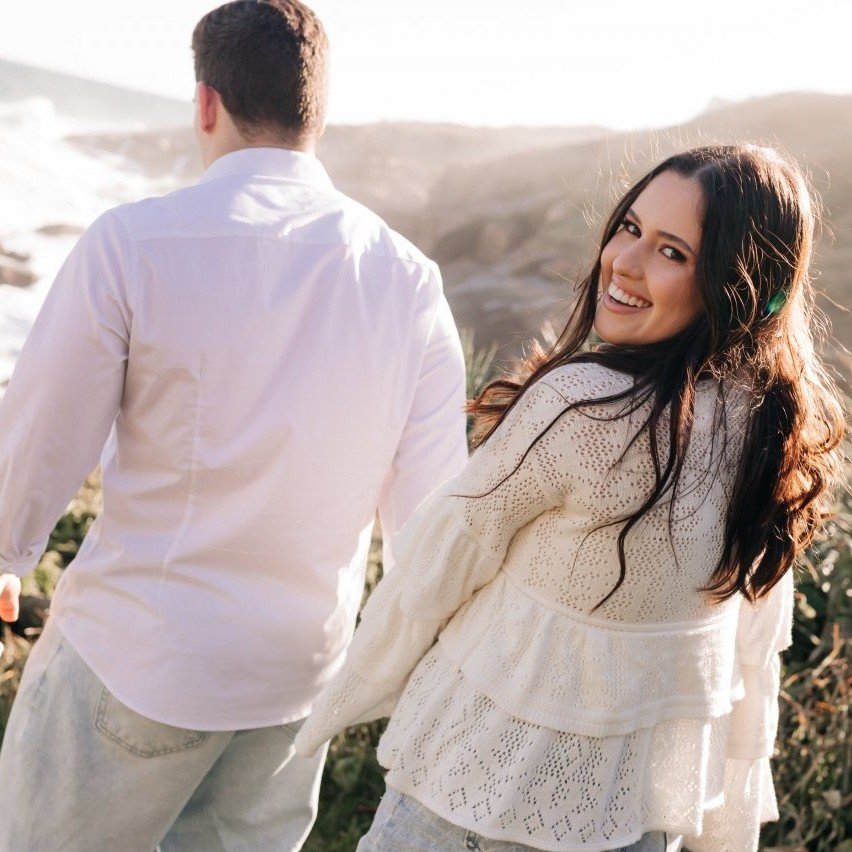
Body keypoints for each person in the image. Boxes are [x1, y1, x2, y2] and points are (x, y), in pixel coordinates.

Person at [0, 1, 468, 849]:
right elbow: (432, 517)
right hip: (296, 682)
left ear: (206, 102)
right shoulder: (410, 280)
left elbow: (39, 434)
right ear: (314, 114)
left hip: (141, 656)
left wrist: (5, 552)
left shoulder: (134, 243)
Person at [294, 144, 846, 851]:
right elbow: (748, 655)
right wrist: (724, 826)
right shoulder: (772, 434)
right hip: (634, 818)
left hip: (472, 794)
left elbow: (437, 571)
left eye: (672, 252)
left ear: (736, 284)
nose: (624, 262)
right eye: (630, 228)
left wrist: (340, 704)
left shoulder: (581, 407)